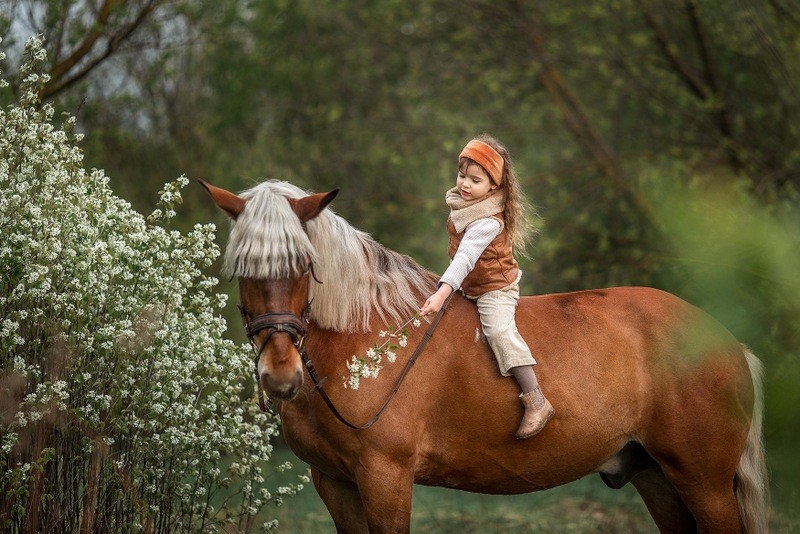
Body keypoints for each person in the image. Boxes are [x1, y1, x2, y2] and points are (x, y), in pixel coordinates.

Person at [420, 134, 554, 439]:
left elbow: (465, 258)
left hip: (495, 289)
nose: (465, 184)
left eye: (475, 180)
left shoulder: (487, 221)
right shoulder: (463, 205)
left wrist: (442, 292)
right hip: (471, 285)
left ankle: (536, 399)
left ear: (493, 186)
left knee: (498, 330)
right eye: (462, 175)